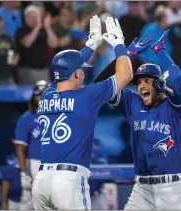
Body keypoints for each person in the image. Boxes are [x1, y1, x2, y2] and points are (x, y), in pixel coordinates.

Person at [31, 15, 133, 209]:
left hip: (42, 180)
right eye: (82, 70)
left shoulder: (46, 94)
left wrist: (91, 45)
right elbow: (126, 74)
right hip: (68, 180)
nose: (84, 73)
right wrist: (119, 44)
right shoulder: (87, 96)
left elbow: (65, 72)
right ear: (77, 73)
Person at [95, 30, 181, 209]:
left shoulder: (176, 106)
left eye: (146, 81)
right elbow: (100, 86)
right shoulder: (132, 102)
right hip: (142, 189)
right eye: (139, 82)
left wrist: (159, 51)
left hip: (173, 189)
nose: (141, 86)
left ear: (159, 84)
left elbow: (177, 80)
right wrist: (126, 55)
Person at [14, 80, 49, 209]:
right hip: (34, 162)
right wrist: (24, 174)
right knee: (28, 200)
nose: (41, 98)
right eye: (38, 95)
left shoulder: (59, 115)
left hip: (55, 162)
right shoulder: (26, 118)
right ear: (33, 97)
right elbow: (20, 148)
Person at [1, 140, 22, 210]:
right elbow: (5, 181)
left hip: (29, 200)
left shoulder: (32, 158)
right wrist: (4, 201)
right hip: (13, 200)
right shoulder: (10, 158)